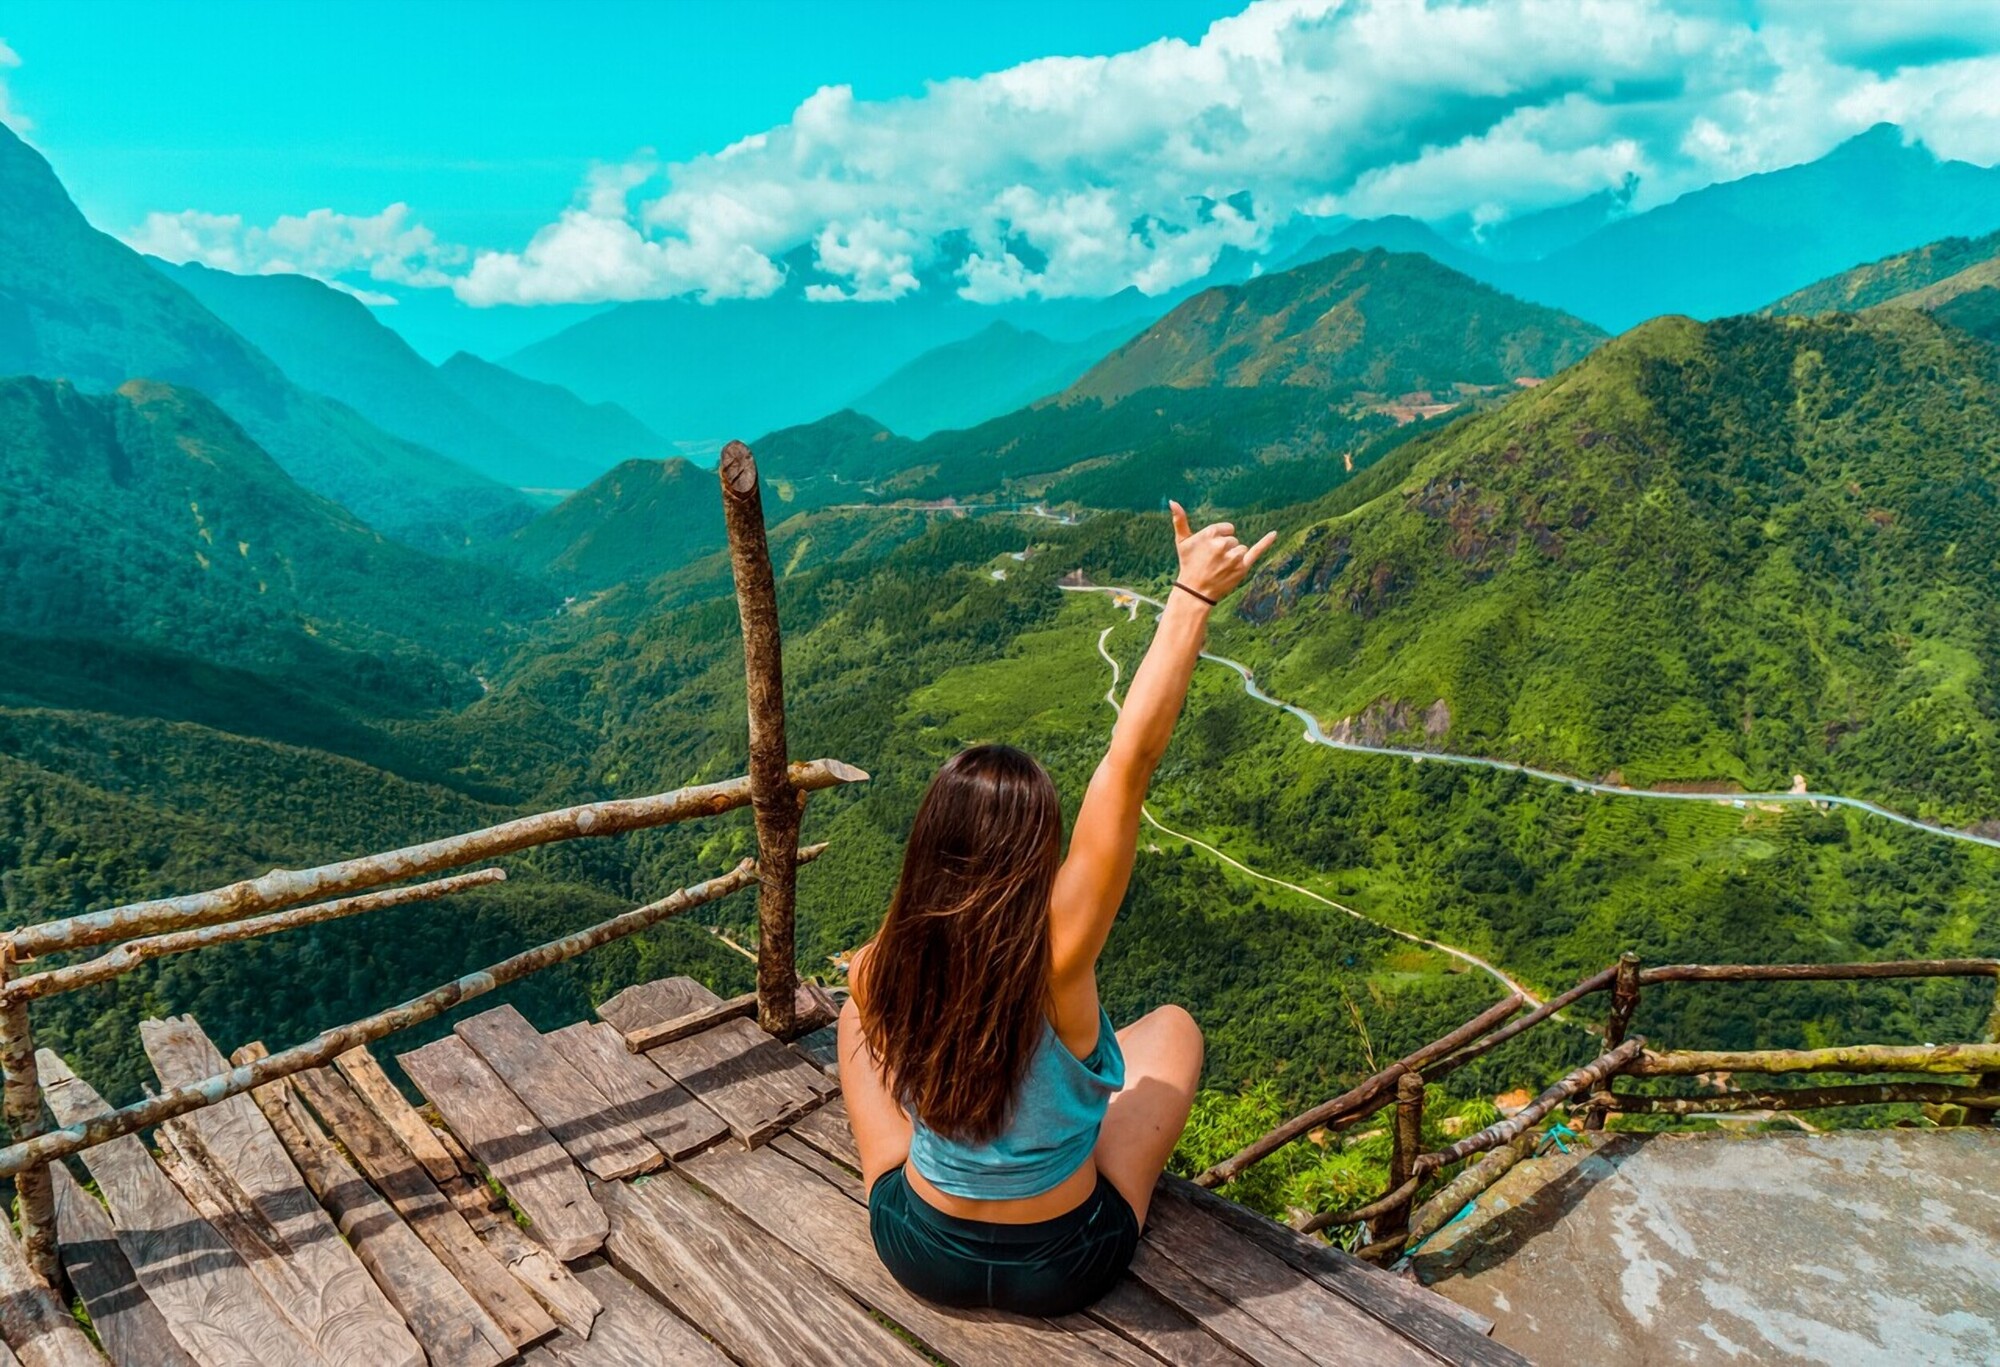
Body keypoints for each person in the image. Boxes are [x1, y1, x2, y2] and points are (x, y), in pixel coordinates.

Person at [839, 500, 1279, 1316]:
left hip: (920, 1252)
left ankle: (911, 1178)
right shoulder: (1060, 953)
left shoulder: (883, 967)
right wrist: (1192, 596)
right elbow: (1131, 756)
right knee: (1173, 1026)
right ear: (1039, 852)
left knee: (853, 1019)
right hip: (1067, 1263)